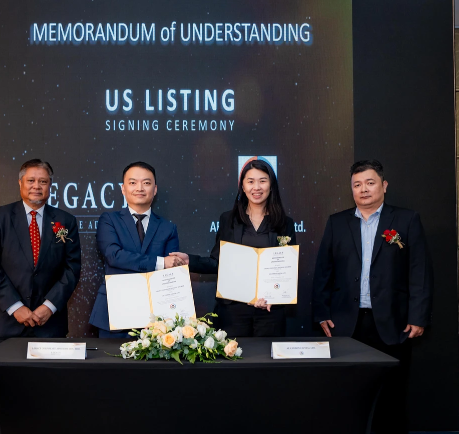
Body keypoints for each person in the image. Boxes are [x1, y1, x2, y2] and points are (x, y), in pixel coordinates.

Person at [312, 159, 433, 434]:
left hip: (392, 322)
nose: (363, 189)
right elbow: (322, 273)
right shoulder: (337, 222)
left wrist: (418, 316)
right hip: (346, 324)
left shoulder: (406, 220)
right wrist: (321, 313)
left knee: (392, 396)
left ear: (384, 185)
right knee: (347, 396)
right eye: (357, 184)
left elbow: (420, 271)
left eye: (370, 183)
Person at [0, 159, 81, 434]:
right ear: (20, 183)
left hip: (49, 324)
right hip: (4, 322)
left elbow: (72, 269)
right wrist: (16, 307)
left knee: (47, 392)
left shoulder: (65, 221)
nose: (37, 186)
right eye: (31, 181)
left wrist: (49, 306)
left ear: (50, 186)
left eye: (43, 181)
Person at [170, 160, 296, 337]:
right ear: (242, 186)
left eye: (262, 181)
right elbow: (217, 262)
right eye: (250, 181)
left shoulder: (285, 223)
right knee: (234, 354)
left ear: (271, 185)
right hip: (233, 310)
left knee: (266, 355)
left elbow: (286, 269)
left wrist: (274, 297)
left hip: (270, 311)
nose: (256, 187)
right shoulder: (228, 219)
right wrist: (191, 260)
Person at [89, 161, 182, 338]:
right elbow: (113, 256)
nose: (139, 188)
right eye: (133, 183)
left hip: (155, 318)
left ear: (155, 189)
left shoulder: (168, 228)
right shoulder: (109, 220)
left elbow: (171, 272)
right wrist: (160, 262)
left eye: (146, 183)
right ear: (123, 189)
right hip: (114, 313)